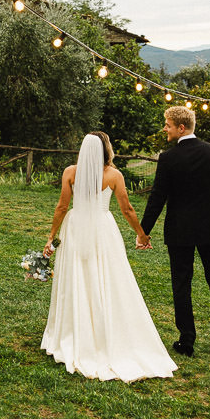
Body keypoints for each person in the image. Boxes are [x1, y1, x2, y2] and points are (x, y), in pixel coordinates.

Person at [40, 131, 177, 381]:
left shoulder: (71, 172)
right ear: (106, 149)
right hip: (103, 230)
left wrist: (51, 236)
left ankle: (75, 330)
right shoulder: (113, 175)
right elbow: (127, 208)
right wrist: (142, 234)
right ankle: (104, 329)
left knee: (76, 276)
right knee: (106, 276)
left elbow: (62, 206)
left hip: (75, 226)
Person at [138, 105, 210, 357]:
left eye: (167, 125)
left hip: (180, 230)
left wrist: (143, 231)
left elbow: (157, 198)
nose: (165, 129)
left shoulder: (169, 158)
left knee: (182, 282)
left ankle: (187, 340)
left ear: (181, 128)